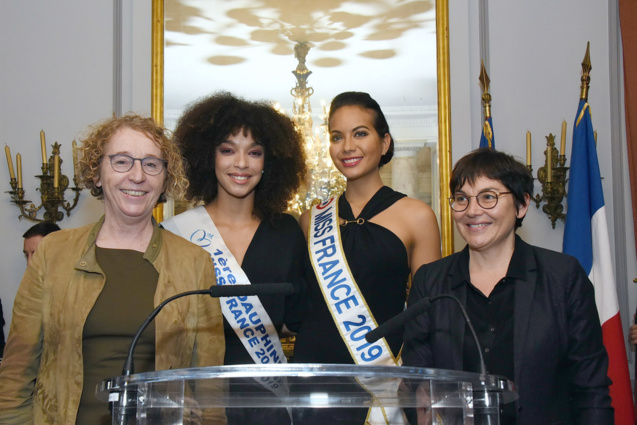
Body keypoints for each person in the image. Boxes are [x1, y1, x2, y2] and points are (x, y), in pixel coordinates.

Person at [0, 114, 225, 425]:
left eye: (151, 164)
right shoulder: (53, 252)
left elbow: (209, 385)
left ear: (164, 179)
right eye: (121, 161)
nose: (137, 175)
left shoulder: (195, 262)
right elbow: (16, 372)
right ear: (96, 173)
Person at [403, 148, 613, 425]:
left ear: (522, 205)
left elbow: (591, 390)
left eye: (488, 197)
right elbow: (416, 384)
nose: (473, 211)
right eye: (461, 199)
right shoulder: (430, 281)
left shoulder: (563, 276)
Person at [292, 91, 441, 424]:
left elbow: (428, 311)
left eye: (360, 133)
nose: (347, 146)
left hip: (384, 380)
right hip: (315, 375)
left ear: (384, 142)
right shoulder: (310, 219)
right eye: (336, 136)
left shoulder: (416, 215)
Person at [160, 92, 310, 423]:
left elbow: (299, 318)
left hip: (269, 403)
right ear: (207, 156)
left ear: (269, 162)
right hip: (194, 398)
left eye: (254, 152)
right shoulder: (175, 233)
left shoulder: (287, 231)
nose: (241, 163)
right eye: (227, 150)